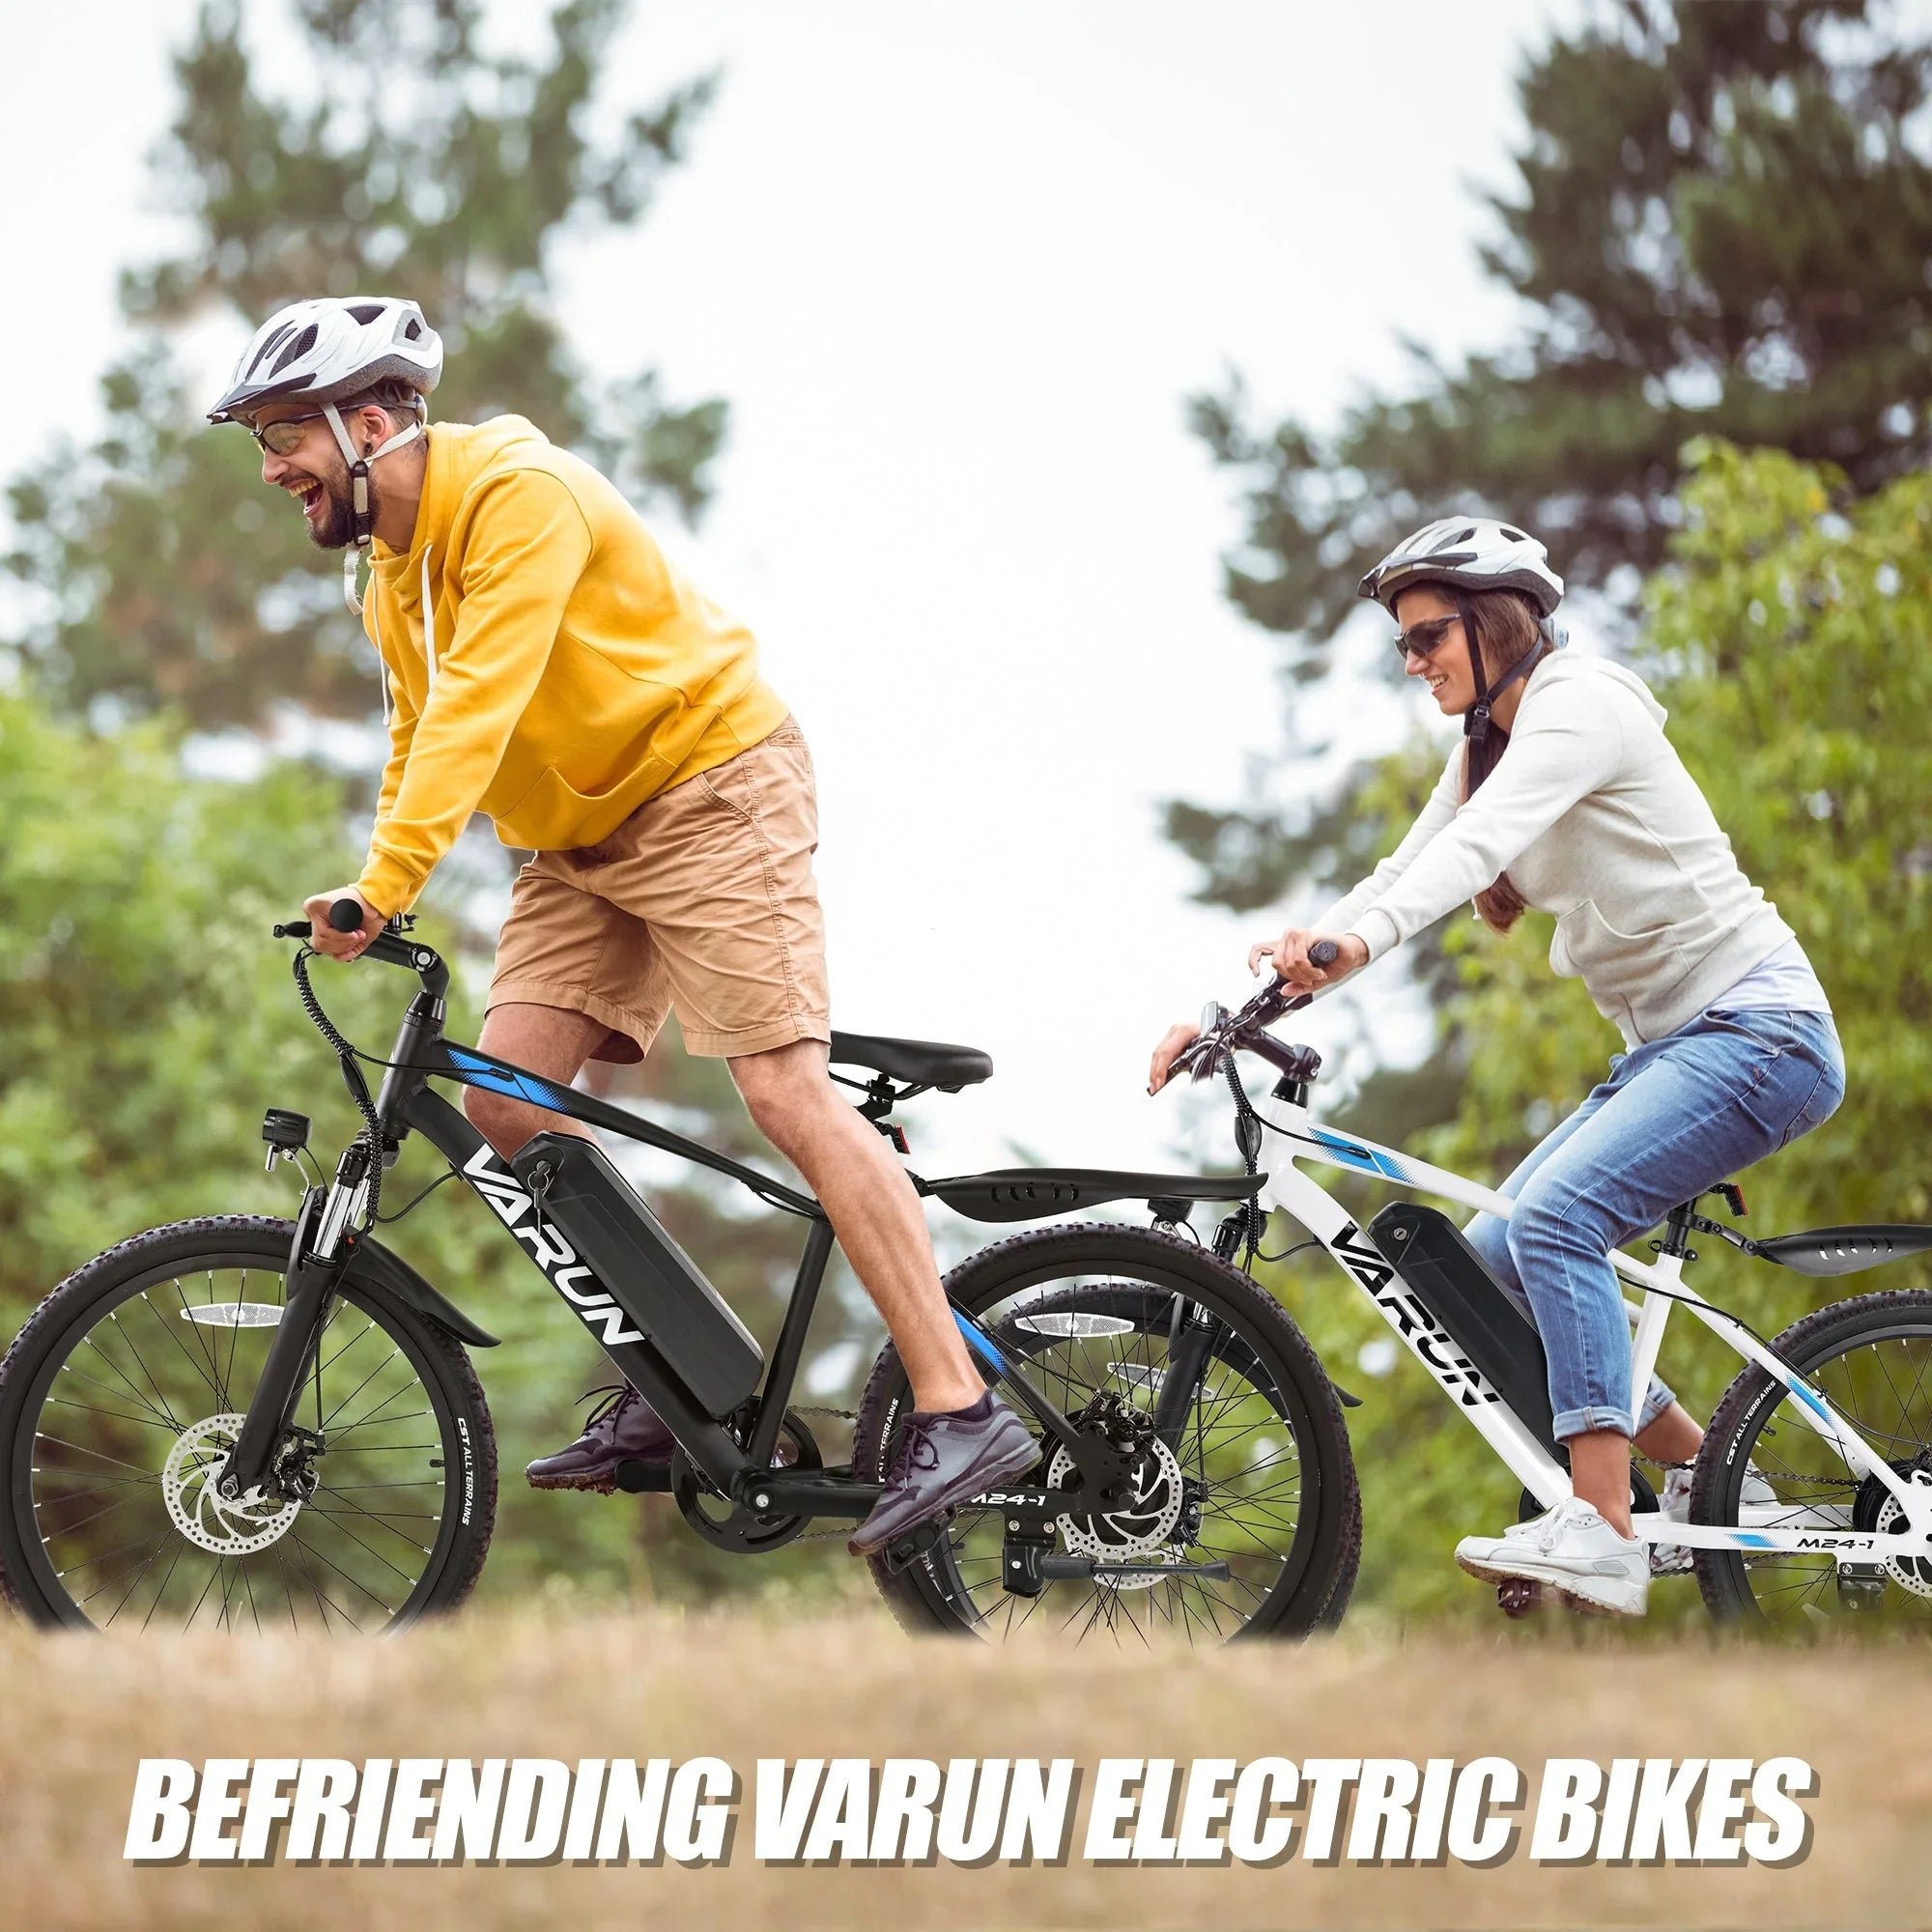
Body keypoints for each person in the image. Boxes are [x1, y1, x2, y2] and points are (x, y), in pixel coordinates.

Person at [206, 295, 1036, 1557]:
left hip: (709, 784)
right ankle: (687, 1375)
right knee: (506, 1103)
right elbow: (418, 737)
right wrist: (383, 888)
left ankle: (957, 1405)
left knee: (783, 1088)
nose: (271, 469)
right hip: (576, 842)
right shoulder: (389, 581)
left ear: (370, 425)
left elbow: (479, 703)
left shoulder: (518, 496)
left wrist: (391, 876)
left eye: (284, 436)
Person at [1149, 516, 1845, 1616]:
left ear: (1497, 623)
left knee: (1556, 1220)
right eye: (1402, 644)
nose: (1412, 661)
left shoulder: (1581, 705)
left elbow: (1475, 850)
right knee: (1487, 1257)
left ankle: (1601, 1526)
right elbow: (1408, 866)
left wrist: (1355, 947)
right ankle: (1718, 1474)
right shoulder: (1487, 743)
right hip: (1676, 1045)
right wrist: (1258, 999)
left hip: (1760, 1033)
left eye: (1427, 636)